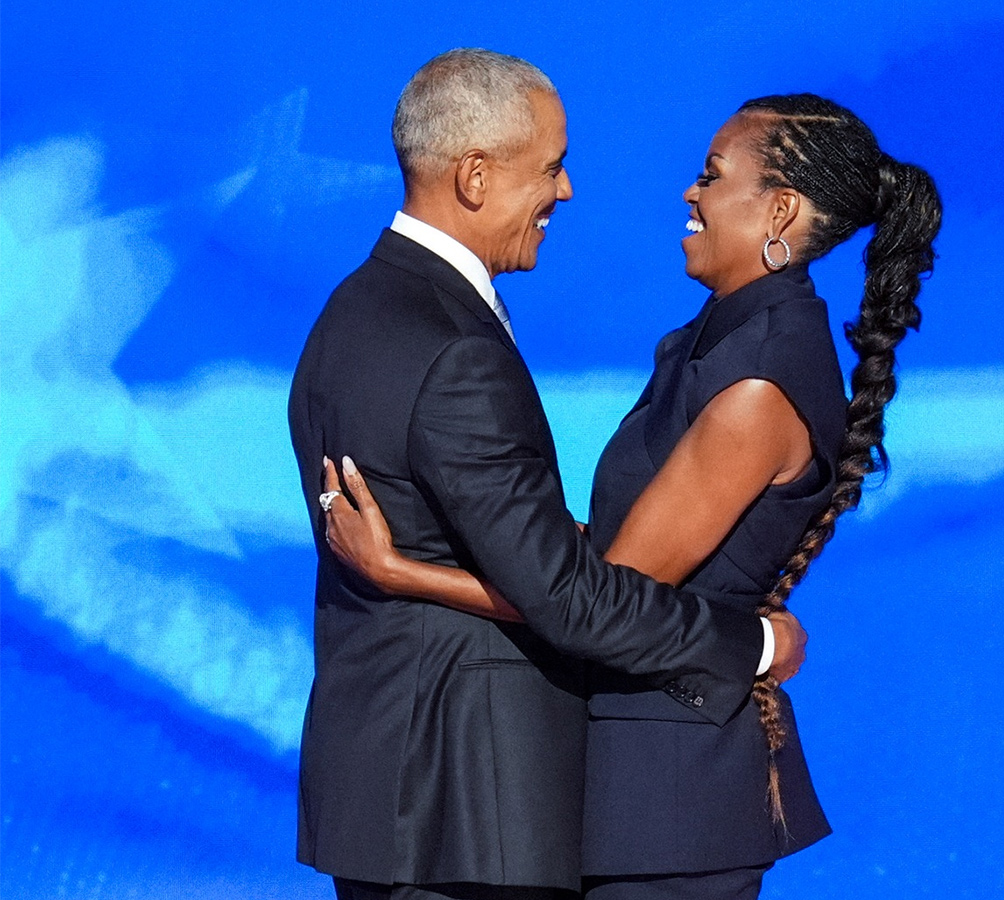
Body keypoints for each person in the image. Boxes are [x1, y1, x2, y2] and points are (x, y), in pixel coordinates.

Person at [322, 92, 942, 900]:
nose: (692, 193)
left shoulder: (758, 380)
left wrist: (401, 571)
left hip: (671, 803)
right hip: (624, 784)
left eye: (712, 177)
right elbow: (602, 562)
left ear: (780, 210)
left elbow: (594, 601)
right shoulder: (708, 344)